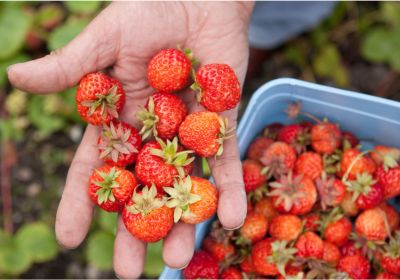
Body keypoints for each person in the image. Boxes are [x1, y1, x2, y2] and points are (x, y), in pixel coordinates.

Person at [7, 2, 335, 278]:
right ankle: (257, 31)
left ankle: (260, 36)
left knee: (290, 7)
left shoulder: (168, 131)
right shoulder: (150, 144)